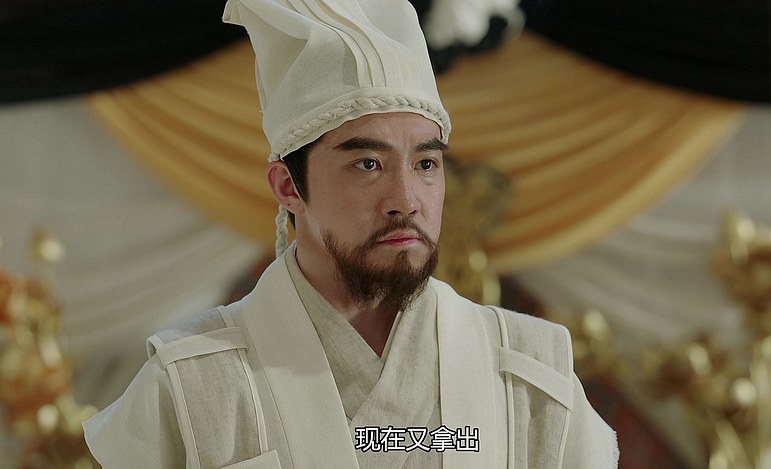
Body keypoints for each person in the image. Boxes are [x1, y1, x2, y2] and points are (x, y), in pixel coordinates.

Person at [83, 0, 619, 467]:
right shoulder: (189, 384)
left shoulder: (530, 372)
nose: (406, 200)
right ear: (289, 186)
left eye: (426, 164)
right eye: (367, 164)